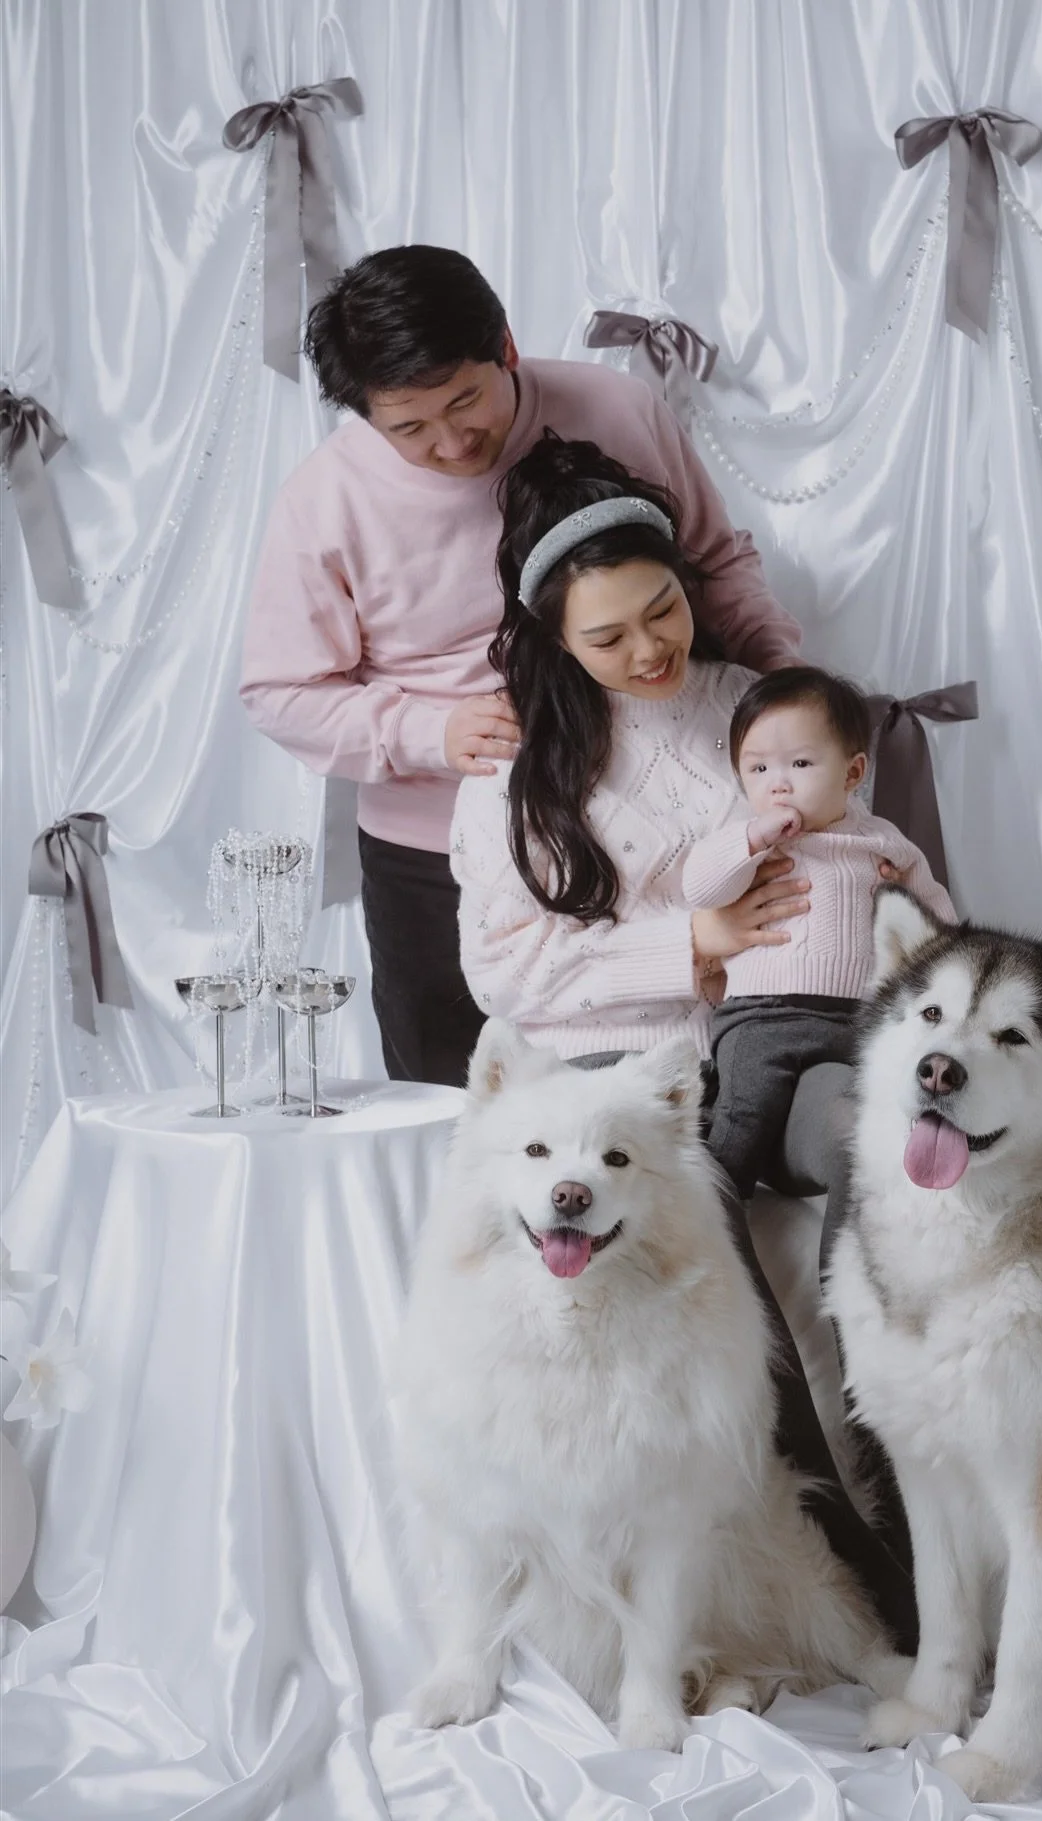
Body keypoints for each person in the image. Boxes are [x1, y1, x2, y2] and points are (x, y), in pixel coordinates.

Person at [449, 432, 919, 1653]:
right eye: (608, 637)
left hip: (787, 1042)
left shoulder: (755, 710)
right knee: (705, 1201)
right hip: (629, 1080)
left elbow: (848, 862)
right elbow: (506, 972)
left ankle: (904, 1469)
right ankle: (849, 1544)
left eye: (662, 611)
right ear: (554, 640)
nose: (651, 649)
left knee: (879, 1143)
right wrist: (692, 943)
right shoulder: (517, 772)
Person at [239, 244, 800, 1087]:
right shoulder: (325, 499)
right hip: (436, 843)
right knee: (450, 1101)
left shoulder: (617, 408)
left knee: (687, 1093)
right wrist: (428, 732)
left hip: (656, 820)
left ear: (504, 344)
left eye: (465, 401)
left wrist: (785, 688)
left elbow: (714, 563)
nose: (451, 441)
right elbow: (279, 691)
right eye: (408, 429)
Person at [682, 666, 957, 1197]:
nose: (778, 783)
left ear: (853, 773)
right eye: (758, 768)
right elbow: (700, 888)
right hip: (762, 1016)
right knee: (741, 1121)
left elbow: (939, 924)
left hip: (855, 1020)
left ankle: (857, 1241)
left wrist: (909, 902)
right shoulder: (747, 840)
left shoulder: (882, 842)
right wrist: (751, 840)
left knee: (874, 1129)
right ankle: (713, 1215)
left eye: (801, 764)